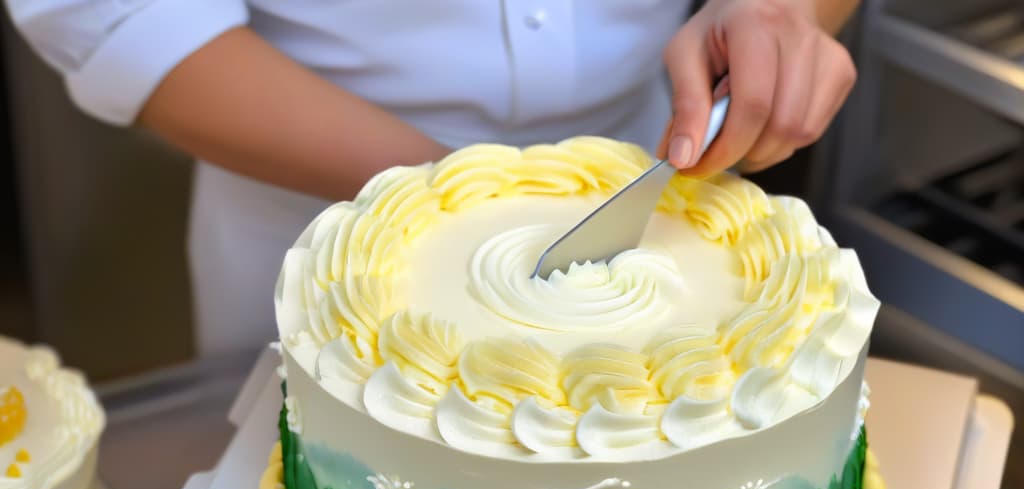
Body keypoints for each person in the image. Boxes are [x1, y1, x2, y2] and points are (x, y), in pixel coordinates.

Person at [5, 0, 858, 356]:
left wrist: (784, 12)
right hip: (318, 226)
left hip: (652, 197)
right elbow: (123, 14)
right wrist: (453, 201)